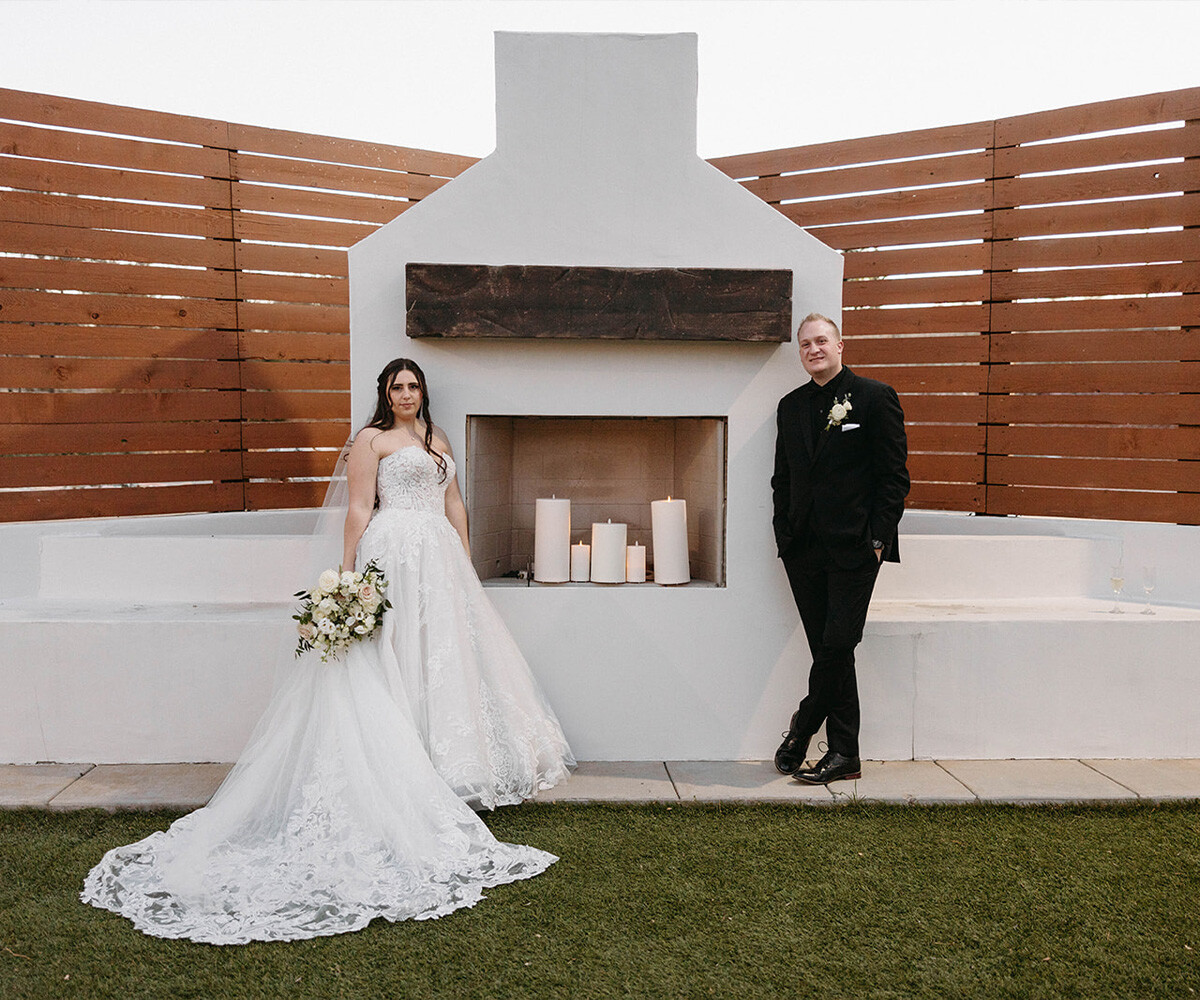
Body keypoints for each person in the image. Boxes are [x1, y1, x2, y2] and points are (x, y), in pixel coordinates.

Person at [81, 358, 573, 944]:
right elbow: (360, 508)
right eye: (398, 387)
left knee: (446, 656)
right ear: (385, 394)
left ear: (423, 392)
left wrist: (465, 557)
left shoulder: (439, 439)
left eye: (414, 386)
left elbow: (454, 502)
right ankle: (401, 772)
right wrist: (348, 577)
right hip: (392, 553)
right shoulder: (371, 440)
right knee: (393, 656)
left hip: (440, 560)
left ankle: (451, 769)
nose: (407, 394)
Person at [771, 313, 909, 785]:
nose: (814, 349)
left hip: (854, 549)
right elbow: (782, 479)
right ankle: (845, 755)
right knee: (830, 652)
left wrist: (877, 541)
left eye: (822, 341)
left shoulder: (873, 397)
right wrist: (784, 535)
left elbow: (894, 479)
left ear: (840, 345)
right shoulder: (789, 406)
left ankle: (804, 726)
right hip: (803, 552)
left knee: (837, 643)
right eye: (806, 344)